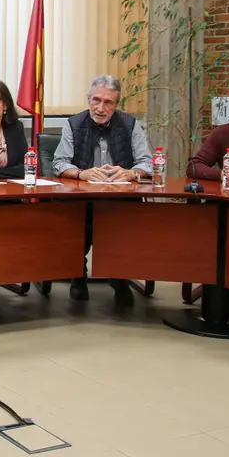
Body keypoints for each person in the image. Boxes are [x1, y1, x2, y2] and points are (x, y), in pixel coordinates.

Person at [52, 75, 153, 305]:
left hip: (120, 201)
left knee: (120, 230)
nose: (100, 107)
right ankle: (78, 276)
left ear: (116, 105)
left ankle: (118, 277)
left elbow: (147, 162)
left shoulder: (130, 124)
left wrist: (131, 172)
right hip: (81, 200)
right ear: (88, 99)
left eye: (108, 102)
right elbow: (58, 163)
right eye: (96, 100)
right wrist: (80, 173)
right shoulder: (73, 124)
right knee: (79, 225)